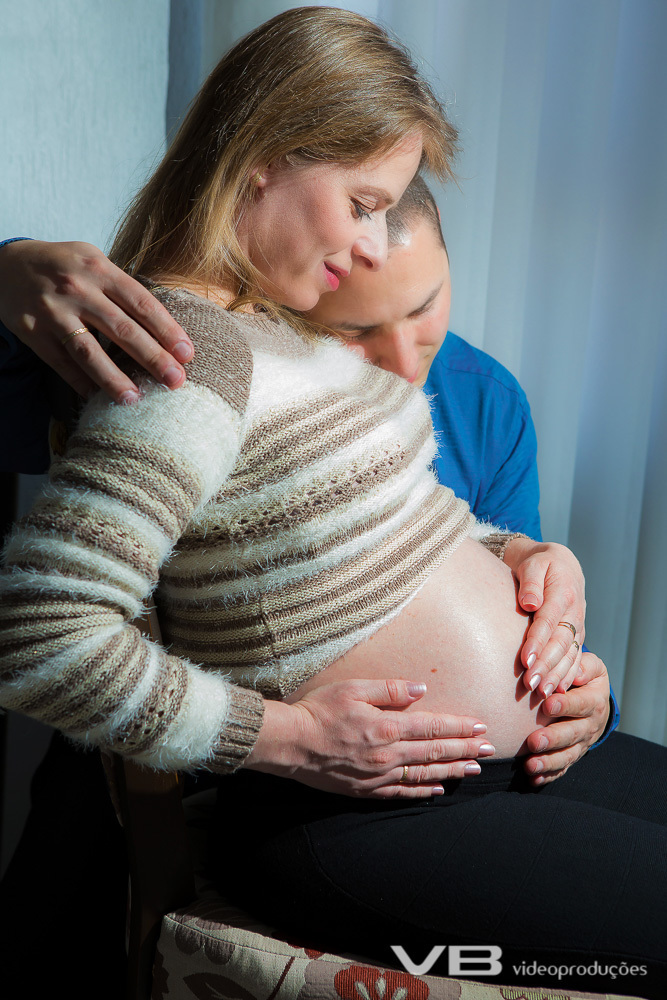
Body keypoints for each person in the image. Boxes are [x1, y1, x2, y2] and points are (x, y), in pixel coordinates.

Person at [0, 8, 664, 998]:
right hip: (362, 817)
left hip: (485, 779)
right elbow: (47, 640)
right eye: (360, 202)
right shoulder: (190, 355)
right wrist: (293, 739)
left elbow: (350, 522)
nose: (366, 245)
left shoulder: (274, 338)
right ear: (264, 157)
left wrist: (515, 554)